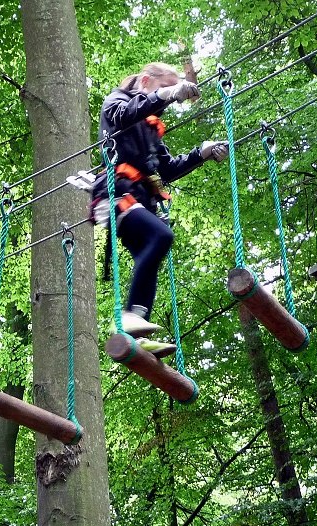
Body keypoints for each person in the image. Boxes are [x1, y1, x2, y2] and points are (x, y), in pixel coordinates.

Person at [90, 62, 229, 356]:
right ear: (145, 81)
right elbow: (124, 115)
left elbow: (165, 168)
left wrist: (200, 154)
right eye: (162, 87)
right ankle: (129, 317)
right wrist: (168, 93)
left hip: (139, 199)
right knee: (161, 236)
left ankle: (136, 327)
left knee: (151, 253)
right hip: (115, 193)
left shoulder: (150, 128)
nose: (167, 97)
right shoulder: (117, 102)